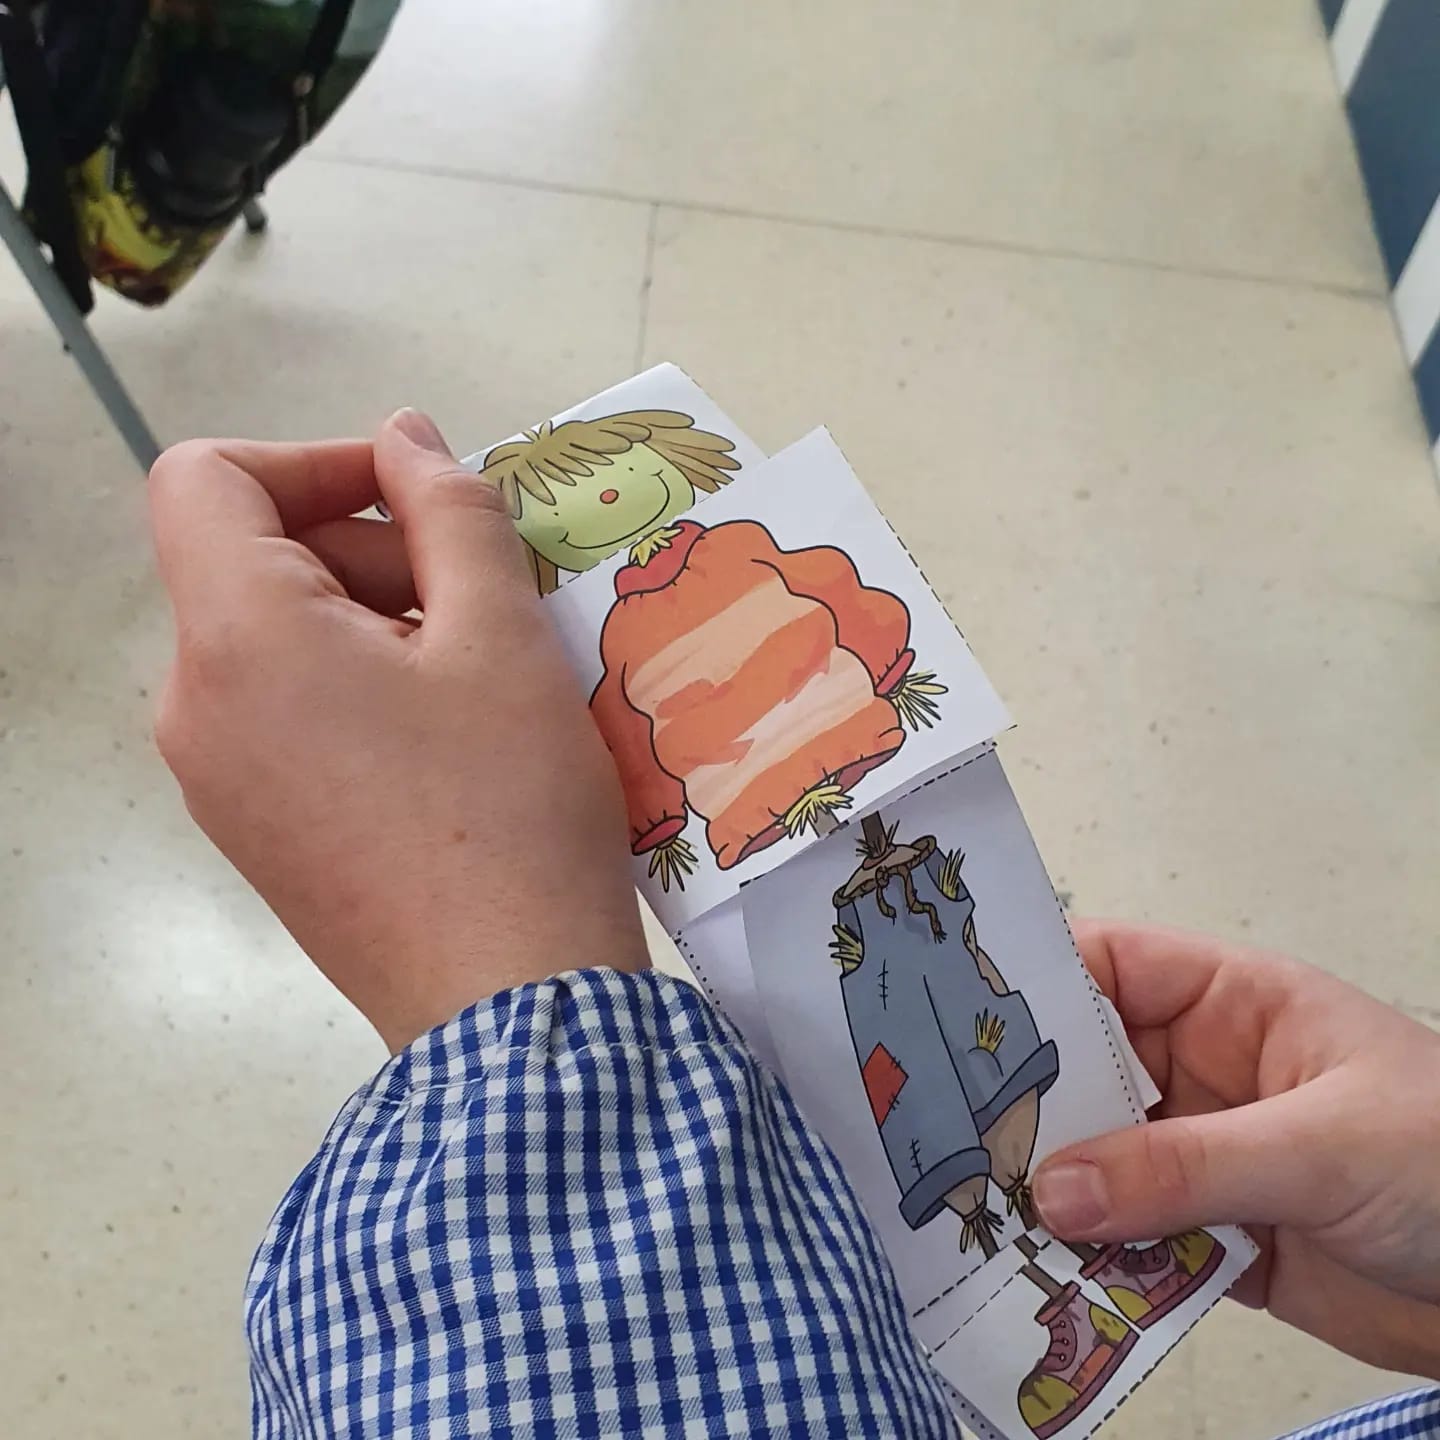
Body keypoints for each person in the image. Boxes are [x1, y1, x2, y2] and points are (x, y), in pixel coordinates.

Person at [146, 411, 1440, 1440]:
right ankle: (1063, 1276)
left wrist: (503, 992)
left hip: (853, 811)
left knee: (969, 1069)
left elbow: (836, 609)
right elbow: (664, 713)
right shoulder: (633, 631)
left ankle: (1070, 1275)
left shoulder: (751, 567)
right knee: (934, 1089)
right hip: (809, 868)